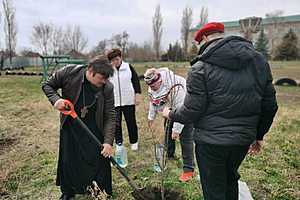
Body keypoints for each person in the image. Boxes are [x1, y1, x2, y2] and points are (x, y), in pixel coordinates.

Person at [162, 22, 278, 200]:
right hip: (242, 140)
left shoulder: (200, 68)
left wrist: (170, 113)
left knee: (214, 189)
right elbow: (270, 105)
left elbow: (192, 111)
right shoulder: (259, 61)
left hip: (211, 143)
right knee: (230, 180)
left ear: (206, 39)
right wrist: (259, 135)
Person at [42, 55, 115, 200]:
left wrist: (108, 142)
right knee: (69, 161)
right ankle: (69, 191)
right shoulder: (69, 73)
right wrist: (56, 100)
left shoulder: (107, 87)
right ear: (90, 71)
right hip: (71, 126)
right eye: (102, 77)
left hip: (95, 127)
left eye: (107, 78)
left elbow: (110, 115)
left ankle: (99, 192)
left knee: (98, 161)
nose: (104, 81)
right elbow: (47, 85)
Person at [144, 67, 195, 182]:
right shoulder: (152, 86)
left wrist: (176, 130)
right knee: (168, 132)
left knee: (186, 139)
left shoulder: (176, 86)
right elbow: (153, 102)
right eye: (150, 87)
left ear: (159, 81)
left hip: (186, 109)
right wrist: (151, 118)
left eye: (153, 86)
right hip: (169, 109)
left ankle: (188, 170)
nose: (151, 88)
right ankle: (170, 155)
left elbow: (181, 109)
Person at [107, 49, 141, 152]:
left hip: (128, 101)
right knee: (116, 124)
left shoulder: (128, 67)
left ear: (121, 57)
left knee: (131, 122)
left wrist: (137, 94)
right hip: (115, 101)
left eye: (116, 59)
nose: (115, 62)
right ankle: (119, 143)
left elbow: (136, 81)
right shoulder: (108, 70)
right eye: (112, 60)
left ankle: (134, 142)